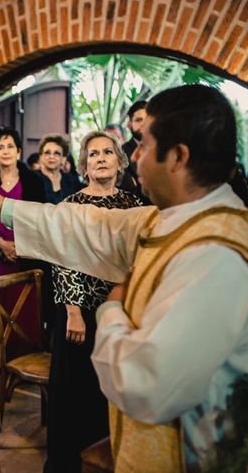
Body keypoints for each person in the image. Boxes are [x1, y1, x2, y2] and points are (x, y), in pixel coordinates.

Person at [0, 84, 248, 472]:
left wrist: (112, 309)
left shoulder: (213, 254)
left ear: (177, 156)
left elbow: (147, 384)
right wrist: (5, 207)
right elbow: (92, 226)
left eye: (142, 144)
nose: (134, 156)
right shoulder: (179, 217)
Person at [45, 131, 142, 472]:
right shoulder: (70, 204)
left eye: (107, 152)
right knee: (76, 392)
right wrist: (73, 310)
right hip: (80, 312)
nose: (100, 158)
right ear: (84, 164)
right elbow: (62, 260)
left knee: (114, 388)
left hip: (121, 312)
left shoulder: (134, 204)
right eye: (93, 154)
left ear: (120, 160)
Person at [0, 126, 46, 384]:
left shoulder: (33, 181)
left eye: (10, 146)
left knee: (23, 312)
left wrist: (19, 246)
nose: (5, 151)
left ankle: (24, 367)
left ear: (18, 151)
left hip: (24, 256)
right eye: (0, 147)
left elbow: (40, 217)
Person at [35, 133, 82, 204]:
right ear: (41, 157)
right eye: (47, 153)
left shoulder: (73, 181)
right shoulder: (31, 179)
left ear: (63, 159)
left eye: (57, 153)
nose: (51, 156)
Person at [118, 100, 148, 201]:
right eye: (139, 120)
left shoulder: (162, 148)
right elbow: (128, 190)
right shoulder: (121, 153)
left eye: (147, 119)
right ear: (129, 125)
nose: (144, 124)